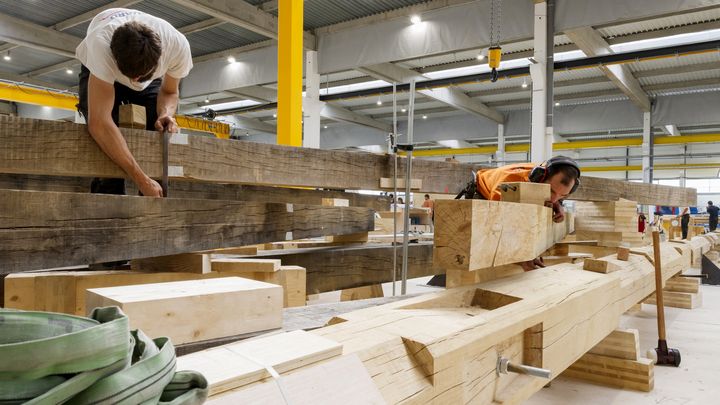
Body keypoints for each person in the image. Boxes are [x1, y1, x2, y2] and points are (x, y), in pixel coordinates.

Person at [76, 8, 193, 197]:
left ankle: (153, 199)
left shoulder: (177, 46)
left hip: (145, 72)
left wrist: (166, 113)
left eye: (141, 77)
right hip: (104, 74)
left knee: (158, 127)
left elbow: (170, 91)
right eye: (132, 78)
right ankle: (107, 203)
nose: (134, 83)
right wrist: (141, 179)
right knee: (102, 136)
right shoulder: (100, 47)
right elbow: (99, 123)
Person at [457, 156, 581, 271]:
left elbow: (553, 199)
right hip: (482, 197)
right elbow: (502, 228)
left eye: (562, 195)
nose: (554, 198)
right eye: (551, 191)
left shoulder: (545, 182)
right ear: (539, 177)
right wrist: (521, 257)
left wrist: (558, 205)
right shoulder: (508, 184)